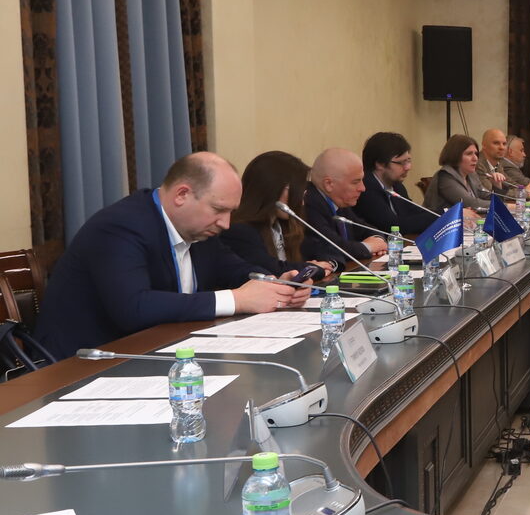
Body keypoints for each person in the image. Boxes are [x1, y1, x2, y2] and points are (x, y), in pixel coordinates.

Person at [36, 153, 309, 359]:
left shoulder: (198, 229)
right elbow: (134, 308)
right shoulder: (121, 227)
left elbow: (235, 269)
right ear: (182, 194)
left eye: (230, 212)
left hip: (158, 354)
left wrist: (277, 284)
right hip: (83, 365)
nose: (226, 223)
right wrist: (237, 299)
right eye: (218, 210)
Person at [219, 151, 338, 279]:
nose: (302, 203)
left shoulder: (283, 224)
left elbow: (324, 249)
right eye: (298, 194)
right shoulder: (239, 231)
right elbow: (272, 270)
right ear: (275, 189)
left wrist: (328, 264)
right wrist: (312, 268)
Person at [302, 148, 388, 268]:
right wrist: (368, 247)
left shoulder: (339, 200)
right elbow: (333, 247)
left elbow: (365, 228)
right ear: (329, 184)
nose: (363, 188)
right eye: (355, 182)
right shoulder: (309, 203)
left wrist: (378, 240)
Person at [357, 131, 438, 236]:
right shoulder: (365, 188)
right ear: (380, 164)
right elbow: (394, 226)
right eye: (401, 162)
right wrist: (442, 215)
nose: (408, 167)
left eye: (408, 161)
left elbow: (414, 212)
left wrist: (447, 213)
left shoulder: (396, 185)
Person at [424, 134, 495, 212]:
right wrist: (501, 206)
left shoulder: (471, 174)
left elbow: (486, 195)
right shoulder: (445, 176)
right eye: (469, 154)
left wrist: (497, 186)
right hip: (443, 219)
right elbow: (469, 203)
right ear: (455, 155)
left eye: (476, 154)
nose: (475, 158)